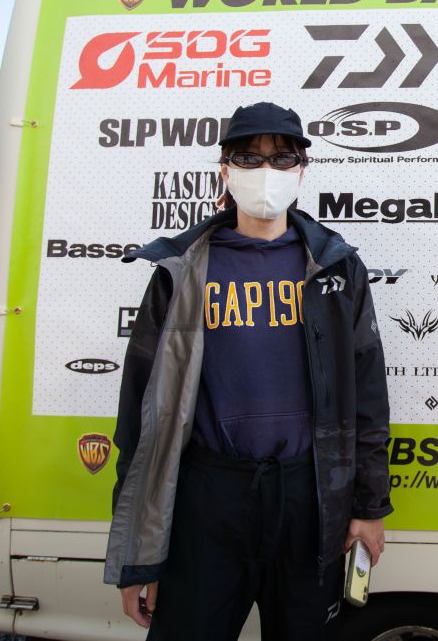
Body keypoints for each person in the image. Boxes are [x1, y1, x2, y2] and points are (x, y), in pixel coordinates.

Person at [104, 102, 392, 640]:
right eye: (249, 157)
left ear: (301, 171)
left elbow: (368, 398)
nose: (266, 170)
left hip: (308, 496)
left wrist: (369, 507)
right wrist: (139, 556)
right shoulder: (181, 269)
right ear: (225, 170)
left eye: (282, 158)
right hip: (208, 496)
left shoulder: (336, 268)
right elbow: (141, 416)